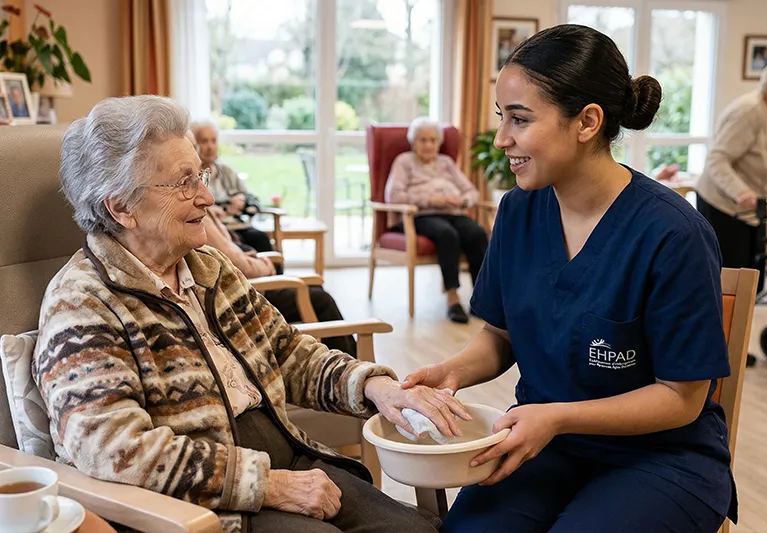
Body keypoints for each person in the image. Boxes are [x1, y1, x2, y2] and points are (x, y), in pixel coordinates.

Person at [34, 95, 468, 533]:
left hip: (281, 450)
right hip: (201, 504)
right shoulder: (82, 304)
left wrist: (375, 386)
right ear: (121, 208)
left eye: (200, 174)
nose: (206, 196)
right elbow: (114, 450)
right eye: (185, 182)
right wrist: (269, 485)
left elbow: (285, 350)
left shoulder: (207, 267)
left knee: (417, 530)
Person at [403, 24, 736, 533]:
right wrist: (451, 371)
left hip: (661, 460)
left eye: (520, 119)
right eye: (502, 117)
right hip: (543, 444)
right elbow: (501, 336)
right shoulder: (517, 211)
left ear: (587, 122)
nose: (502, 139)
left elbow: (681, 397)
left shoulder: (674, 234)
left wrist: (557, 416)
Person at [695, 55, 767, 366]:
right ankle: (717, 352)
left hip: (751, 209)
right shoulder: (748, 113)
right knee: (727, 284)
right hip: (723, 208)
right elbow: (717, 160)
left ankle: (733, 346)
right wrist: (740, 190)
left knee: (750, 282)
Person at [203, 203, 357, 356]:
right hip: (247, 296)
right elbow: (242, 267)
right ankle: (347, 368)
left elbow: (233, 257)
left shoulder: (206, 212)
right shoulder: (203, 219)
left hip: (248, 284)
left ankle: (348, 363)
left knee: (317, 293)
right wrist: (266, 264)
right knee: (321, 300)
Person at [385, 116, 489, 323]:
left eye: (433, 140)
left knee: (476, 234)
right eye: (423, 140)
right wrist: (430, 200)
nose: (429, 145)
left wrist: (461, 200)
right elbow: (394, 195)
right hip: (420, 215)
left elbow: (471, 191)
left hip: (453, 212)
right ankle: (452, 299)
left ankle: (481, 299)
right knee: (446, 234)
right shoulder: (404, 161)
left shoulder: (446, 162)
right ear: (413, 143)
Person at [192, 120, 275, 256]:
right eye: (204, 141)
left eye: (214, 141)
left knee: (261, 238)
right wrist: (226, 207)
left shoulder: (226, 171)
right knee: (242, 246)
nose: (210, 147)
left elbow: (253, 202)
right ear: (194, 145)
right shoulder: (192, 176)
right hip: (217, 233)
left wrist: (242, 202)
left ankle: (275, 277)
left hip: (239, 226)